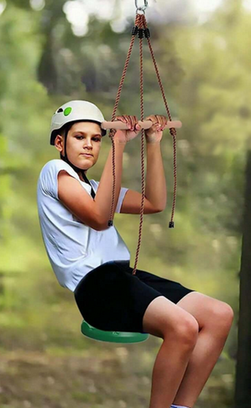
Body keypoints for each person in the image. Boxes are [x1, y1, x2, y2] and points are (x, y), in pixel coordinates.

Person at [37, 100, 234, 408]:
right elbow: (98, 217)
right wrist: (118, 146)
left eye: (96, 139)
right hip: (97, 287)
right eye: (79, 137)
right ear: (60, 142)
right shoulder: (54, 172)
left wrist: (152, 143)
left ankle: (180, 407)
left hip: (122, 276)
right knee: (182, 328)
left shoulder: (97, 188)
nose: (89, 145)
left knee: (219, 315)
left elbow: (153, 202)